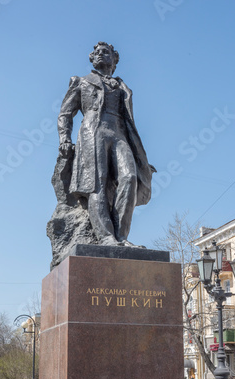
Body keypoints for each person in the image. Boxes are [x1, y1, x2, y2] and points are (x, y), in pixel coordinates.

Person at [57, 42, 156, 247]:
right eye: (97, 53)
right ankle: (106, 237)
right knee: (97, 184)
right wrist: (64, 139)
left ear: (114, 59)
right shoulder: (81, 82)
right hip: (92, 132)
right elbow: (65, 114)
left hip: (119, 133)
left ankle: (121, 236)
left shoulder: (122, 87)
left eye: (106, 52)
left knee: (129, 177)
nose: (101, 55)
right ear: (92, 59)